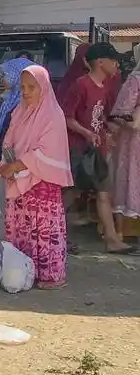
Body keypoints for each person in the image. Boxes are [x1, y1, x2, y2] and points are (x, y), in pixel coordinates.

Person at [0, 65, 75, 289]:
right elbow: (9, 142)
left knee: (44, 231)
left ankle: (51, 276)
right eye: (23, 87)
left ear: (43, 87)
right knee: (22, 229)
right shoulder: (19, 112)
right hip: (19, 181)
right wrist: (5, 164)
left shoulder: (53, 114)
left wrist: (16, 165)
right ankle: (24, 273)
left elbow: (48, 150)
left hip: (43, 184)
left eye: (31, 87)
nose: (26, 92)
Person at [63, 42, 131, 253]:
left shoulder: (104, 86)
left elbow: (98, 116)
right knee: (72, 193)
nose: (116, 64)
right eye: (113, 60)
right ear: (101, 62)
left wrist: (105, 131)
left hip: (96, 150)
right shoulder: (81, 85)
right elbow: (67, 117)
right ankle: (54, 232)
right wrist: (87, 133)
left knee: (103, 192)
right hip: (79, 150)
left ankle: (111, 239)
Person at [0, 58, 31, 241]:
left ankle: (9, 242)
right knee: (2, 203)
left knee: (10, 204)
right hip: (3, 161)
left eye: (6, 74)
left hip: (13, 163)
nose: (2, 78)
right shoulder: (10, 100)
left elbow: (9, 135)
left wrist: (1, 159)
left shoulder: (22, 104)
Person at [112, 64, 140, 223]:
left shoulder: (135, 80)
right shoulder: (135, 79)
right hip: (134, 138)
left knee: (128, 178)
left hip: (134, 139)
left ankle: (120, 231)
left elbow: (122, 113)